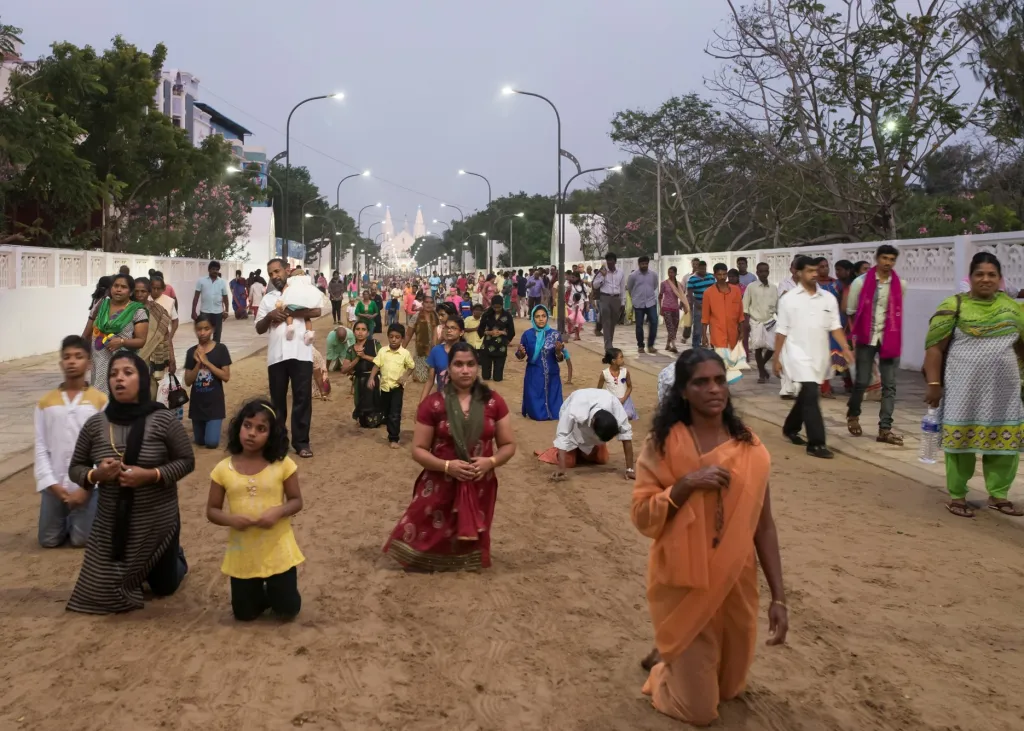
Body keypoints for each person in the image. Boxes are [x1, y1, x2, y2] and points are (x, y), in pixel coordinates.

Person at [633, 349, 788, 726]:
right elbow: (642, 515)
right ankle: (663, 671)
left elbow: (763, 525)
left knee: (729, 688)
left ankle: (672, 654)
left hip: (734, 581)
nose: (714, 389)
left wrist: (779, 597)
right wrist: (684, 485)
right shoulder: (664, 444)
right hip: (683, 580)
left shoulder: (750, 448)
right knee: (699, 711)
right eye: (701, 382)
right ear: (683, 392)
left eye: (719, 380)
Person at [65, 352, 194, 614]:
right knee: (97, 590)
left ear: (143, 379)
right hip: (112, 520)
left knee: (163, 587)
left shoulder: (163, 419)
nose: (119, 379)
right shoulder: (96, 425)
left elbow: (186, 460)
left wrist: (151, 475)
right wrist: (95, 476)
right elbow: (75, 467)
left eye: (127, 373)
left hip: (157, 518)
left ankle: (174, 554)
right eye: (113, 374)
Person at [382, 342, 516, 571]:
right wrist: (446, 466)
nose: (465, 370)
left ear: (477, 367)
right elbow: (419, 449)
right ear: (448, 369)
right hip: (439, 481)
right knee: (426, 530)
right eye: (459, 364)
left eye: (471, 364)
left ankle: (464, 562)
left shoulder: (493, 402)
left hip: (479, 482)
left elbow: (508, 445)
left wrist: (490, 462)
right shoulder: (433, 404)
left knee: (472, 537)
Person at [924, 252, 1024, 518]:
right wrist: (934, 384)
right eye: (980, 274)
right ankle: (957, 495)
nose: (986, 279)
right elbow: (935, 349)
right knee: (961, 444)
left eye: (992, 274)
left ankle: (999, 495)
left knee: (1005, 445)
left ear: (1000, 279)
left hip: (1005, 392)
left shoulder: (1013, 309)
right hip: (962, 390)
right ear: (970, 278)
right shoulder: (954, 305)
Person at [206, 399, 305, 621]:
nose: (252, 433)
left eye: (261, 429)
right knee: (244, 614)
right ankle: (259, 594)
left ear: (271, 434)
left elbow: (296, 501)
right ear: (238, 426)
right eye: (247, 425)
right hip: (243, 551)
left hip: (277, 548)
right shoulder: (223, 469)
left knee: (288, 610)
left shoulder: (282, 464)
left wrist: (278, 512)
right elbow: (212, 510)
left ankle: (278, 591)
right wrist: (231, 519)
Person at [772, 256, 854, 459]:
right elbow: (781, 331)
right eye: (809, 270)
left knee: (807, 395)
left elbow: (835, 326)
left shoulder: (827, 299)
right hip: (795, 354)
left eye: (815, 270)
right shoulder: (788, 299)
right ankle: (816, 443)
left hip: (819, 354)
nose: (814, 274)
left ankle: (790, 428)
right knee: (811, 393)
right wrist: (776, 358)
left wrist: (845, 348)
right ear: (798, 273)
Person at [35, 335, 107, 548]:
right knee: (48, 541)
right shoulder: (46, 403)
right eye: (67, 357)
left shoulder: (100, 401)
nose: (72, 361)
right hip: (54, 486)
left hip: (87, 485)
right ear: (60, 363)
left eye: (78, 356)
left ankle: (85, 514)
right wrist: (53, 485)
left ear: (89, 363)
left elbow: (103, 449)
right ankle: (65, 514)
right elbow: (41, 446)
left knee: (81, 541)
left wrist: (86, 486)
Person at [255, 258, 320, 459]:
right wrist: (270, 316)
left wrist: (292, 311)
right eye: (271, 274)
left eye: (277, 272)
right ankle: (279, 443)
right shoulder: (268, 299)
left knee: (302, 398)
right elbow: (259, 328)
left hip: (301, 352)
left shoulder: (302, 290)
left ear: (287, 270)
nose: (275, 276)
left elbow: (317, 310)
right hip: (277, 357)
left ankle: (301, 443)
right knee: (277, 401)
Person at [845, 245, 907, 445]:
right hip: (866, 338)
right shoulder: (860, 283)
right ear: (877, 259)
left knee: (890, 385)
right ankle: (853, 414)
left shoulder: (900, 284)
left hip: (889, 338)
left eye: (891, 259)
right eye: (884, 258)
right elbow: (851, 311)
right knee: (862, 381)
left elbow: (895, 312)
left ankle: (885, 429)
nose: (888, 263)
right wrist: (856, 337)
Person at [536, 387, 635, 479]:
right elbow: (563, 434)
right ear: (592, 423)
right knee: (569, 463)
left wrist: (630, 469)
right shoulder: (575, 408)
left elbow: (626, 435)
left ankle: (581, 452)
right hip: (575, 430)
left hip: (597, 431)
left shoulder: (614, 405)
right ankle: (555, 451)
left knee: (602, 459)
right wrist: (562, 468)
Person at [82, 272, 149, 396]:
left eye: (123, 287)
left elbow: (141, 341)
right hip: (98, 364)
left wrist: (122, 341)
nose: (118, 289)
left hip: (121, 366)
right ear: (110, 288)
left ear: (130, 291)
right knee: (98, 400)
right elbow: (86, 333)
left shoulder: (137, 311)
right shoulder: (101, 305)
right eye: (115, 286)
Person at [183, 314, 232, 450]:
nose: (203, 333)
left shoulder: (221, 349)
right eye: (199, 329)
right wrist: (198, 364)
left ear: (213, 329)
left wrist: (207, 362)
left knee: (211, 442)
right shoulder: (191, 352)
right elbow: (188, 381)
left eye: (206, 329)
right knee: (199, 441)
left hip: (214, 405)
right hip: (197, 404)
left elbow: (226, 376)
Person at [369, 323, 416, 448]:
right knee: (387, 411)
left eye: (397, 337)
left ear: (402, 339)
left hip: (397, 388)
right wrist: (371, 378)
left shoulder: (405, 353)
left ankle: (393, 438)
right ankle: (388, 423)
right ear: (388, 337)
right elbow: (376, 365)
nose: (394, 339)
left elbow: (411, 367)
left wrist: (405, 376)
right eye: (391, 337)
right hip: (384, 387)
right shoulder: (383, 351)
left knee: (395, 413)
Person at [515, 305, 565, 421]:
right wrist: (521, 352)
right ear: (533, 318)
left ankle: (552, 412)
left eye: (543, 316)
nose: (541, 319)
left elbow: (560, 358)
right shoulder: (527, 335)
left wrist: (558, 351)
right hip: (534, 373)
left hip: (552, 372)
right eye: (537, 317)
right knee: (536, 409)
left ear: (547, 317)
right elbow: (520, 356)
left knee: (554, 401)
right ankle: (538, 412)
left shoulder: (555, 334)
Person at [134, 276, 177, 399]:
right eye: (136, 291)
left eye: (143, 291)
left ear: (149, 292)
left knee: (152, 389)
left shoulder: (158, 310)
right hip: (134, 356)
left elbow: (165, 335)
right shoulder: (127, 310)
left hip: (153, 358)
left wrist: (172, 358)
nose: (139, 294)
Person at [342, 321, 383, 428]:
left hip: (374, 378)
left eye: (363, 329)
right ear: (354, 332)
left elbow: (382, 361)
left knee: (375, 409)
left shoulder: (375, 344)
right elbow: (344, 369)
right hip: (359, 381)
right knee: (362, 417)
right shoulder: (351, 349)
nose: (360, 332)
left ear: (368, 332)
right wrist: (357, 358)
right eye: (357, 329)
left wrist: (364, 356)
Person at [742, 262, 777, 383]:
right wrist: (746, 322)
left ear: (768, 272)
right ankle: (762, 373)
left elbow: (777, 306)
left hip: (770, 321)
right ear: (757, 272)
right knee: (757, 348)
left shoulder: (773, 288)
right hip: (755, 320)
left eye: (766, 271)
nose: (763, 273)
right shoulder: (751, 287)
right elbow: (745, 306)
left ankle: (761, 365)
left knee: (772, 347)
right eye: (761, 271)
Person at [701, 263, 744, 359]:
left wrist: (742, 331)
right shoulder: (708, 293)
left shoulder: (736, 290)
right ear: (714, 275)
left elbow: (740, 313)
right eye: (719, 274)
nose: (722, 277)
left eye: (724, 274)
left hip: (733, 333)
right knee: (722, 361)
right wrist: (704, 336)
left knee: (732, 362)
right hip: (717, 334)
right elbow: (705, 317)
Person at [422, 316, 465, 401]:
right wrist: (421, 404)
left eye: (453, 328)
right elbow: (430, 381)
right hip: (442, 401)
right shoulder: (436, 351)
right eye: (447, 328)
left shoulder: (467, 352)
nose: (449, 330)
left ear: (461, 332)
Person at [593, 252, 627, 352]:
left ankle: (609, 343)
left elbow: (622, 288)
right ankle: (608, 346)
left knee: (613, 322)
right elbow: (595, 285)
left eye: (611, 260)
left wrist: (623, 302)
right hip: (605, 298)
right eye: (608, 261)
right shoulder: (602, 271)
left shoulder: (620, 272)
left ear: (615, 261)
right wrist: (603, 276)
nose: (610, 263)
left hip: (616, 299)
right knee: (606, 322)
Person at [477, 295, 515, 382]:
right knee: (485, 377)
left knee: (497, 378)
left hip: (500, 347)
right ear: (492, 305)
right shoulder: (486, 315)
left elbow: (512, 331)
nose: (497, 309)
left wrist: (502, 333)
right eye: (494, 307)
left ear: (502, 305)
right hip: (487, 345)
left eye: (499, 307)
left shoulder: (507, 315)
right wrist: (489, 332)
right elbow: (480, 330)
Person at [192, 260, 229, 344]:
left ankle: (215, 354)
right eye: (213, 269)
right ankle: (203, 352)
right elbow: (196, 297)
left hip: (218, 313)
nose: (215, 271)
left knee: (217, 335)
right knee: (203, 334)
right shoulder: (201, 281)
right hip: (205, 312)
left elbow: (225, 298)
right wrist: (193, 311)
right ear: (209, 270)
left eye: (217, 269)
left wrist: (226, 311)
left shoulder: (222, 282)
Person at [404, 294, 438, 383]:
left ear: (434, 304)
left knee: (432, 379)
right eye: (426, 302)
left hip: (434, 351)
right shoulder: (416, 316)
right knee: (421, 380)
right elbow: (408, 335)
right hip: (421, 352)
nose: (429, 305)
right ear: (423, 304)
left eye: (431, 303)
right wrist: (401, 349)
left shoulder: (436, 316)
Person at [598, 348, 638, 420]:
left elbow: (629, 387)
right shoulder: (604, 374)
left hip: (625, 400)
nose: (623, 359)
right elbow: (598, 391)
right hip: (612, 401)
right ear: (613, 361)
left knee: (629, 416)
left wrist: (623, 399)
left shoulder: (625, 372)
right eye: (621, 357)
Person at [686, 261, 715, 350]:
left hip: (711, 305)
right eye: (701, 268)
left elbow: (715, 290)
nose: (703, 270)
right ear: (697, 268)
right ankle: (696, 345)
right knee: (698, 327)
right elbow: (690, 294)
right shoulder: (692, 279)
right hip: (699, 305)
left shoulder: (711, 277)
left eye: (704, 268)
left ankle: (713, 344)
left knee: (713, 326)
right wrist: (696, 303)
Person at [659, 266, 688, 354]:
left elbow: (682, 296)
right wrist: (661, 308)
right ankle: (674, 346)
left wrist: (683, 305)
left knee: (674, 328)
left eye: (672, 272)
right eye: (669, 272)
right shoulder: (664, 283)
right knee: (670, 327)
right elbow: (660, 296)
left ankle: (668, 344)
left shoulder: (679, 285)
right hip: (666, 307)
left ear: (675, 273)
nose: (670, 274)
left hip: (675, 308)